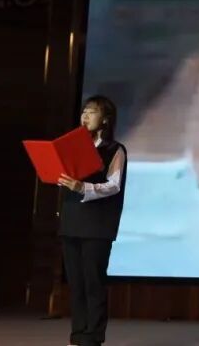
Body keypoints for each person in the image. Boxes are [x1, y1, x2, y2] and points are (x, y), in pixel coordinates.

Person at [58, 95, 128, 346]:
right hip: (72, 220)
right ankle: (77, 335)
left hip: (97, 224)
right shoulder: (72, 147)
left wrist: (83, 187)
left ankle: (93, 337)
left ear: (106, 119)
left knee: (93, 282)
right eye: (84, 111)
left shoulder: (114, 149)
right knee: (76, 283)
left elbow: (114, 185)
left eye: (92, 112)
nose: (85, 116)